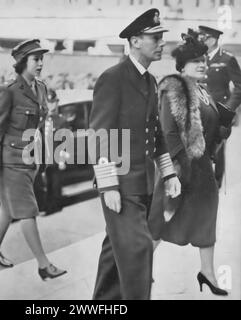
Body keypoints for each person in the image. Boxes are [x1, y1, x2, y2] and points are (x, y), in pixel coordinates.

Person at [89, 9, 181, 300]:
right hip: (119, 185)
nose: (161, 43)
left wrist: (168, 173)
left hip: (142, 186)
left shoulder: (150, 81)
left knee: (114, 255)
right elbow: (99, 136)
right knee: (139, 249)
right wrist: (108, 185)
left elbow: (156, 135)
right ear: (135, 41)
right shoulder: (113, 78)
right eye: (155, 37)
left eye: (161, 37)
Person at [148, 32, 229, 296]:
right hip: (180, 167)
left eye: (203, 59)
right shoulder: (174, 88)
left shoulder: (203, 92)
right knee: (163, 220)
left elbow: (210, 128)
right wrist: (173, 171)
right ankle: (140, 267)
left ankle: (208, 272)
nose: (202, 64)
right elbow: (168, 132)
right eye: (195, 61)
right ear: (182, 66)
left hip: (203, 167)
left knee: (207, 219)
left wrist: (221, 131)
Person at [0, 39, 67, 280]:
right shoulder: (8, 90)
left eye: (42, 59)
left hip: (29, 159)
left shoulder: (40, 88)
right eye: (36, 59)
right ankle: (44, 265)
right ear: (23, 63)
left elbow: (39, 127)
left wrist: (41, 155)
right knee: (28, 211)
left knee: (8, 209)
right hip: (9, 161)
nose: (41, 63)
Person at [198, 25, 241, 188]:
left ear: (213, 39)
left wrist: (228, 108)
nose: (201, 41)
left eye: (204, 38)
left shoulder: (227, 59)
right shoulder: (200, 58)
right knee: (200, 145)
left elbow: (239, 86)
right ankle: (201, 182)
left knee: (217, 147)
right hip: (201, 109)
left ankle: (216, 183)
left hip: (220, 111)